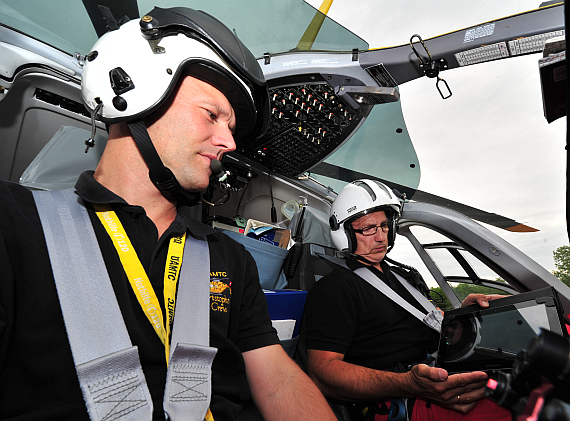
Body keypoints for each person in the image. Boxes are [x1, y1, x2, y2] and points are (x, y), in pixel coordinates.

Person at [0, 7, 336, 421]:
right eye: (212, 115)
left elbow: (279, 379)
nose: (228, 142)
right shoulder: (13, 222)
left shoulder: (230, 259)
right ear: (137, 95)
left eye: (231, 128)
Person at [302, 179, 511, 421]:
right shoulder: (335, 288)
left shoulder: (404, 277)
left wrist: (464, 318)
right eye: (368, 229)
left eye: (384, 225)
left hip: (434, 375)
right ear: (345, 233)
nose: (381, 237)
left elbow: (431, 325)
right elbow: (322, 373)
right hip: (398, 401)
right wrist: (408, 384)